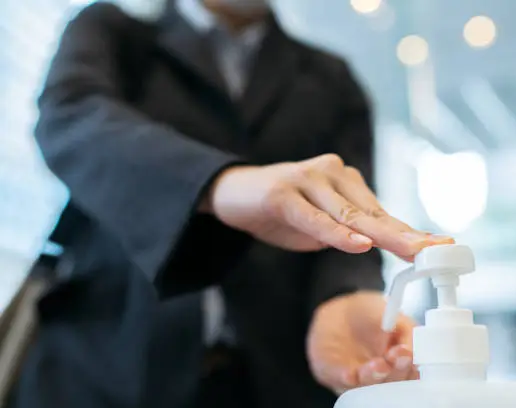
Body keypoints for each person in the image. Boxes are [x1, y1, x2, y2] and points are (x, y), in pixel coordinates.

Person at [9, 0, 453, 407]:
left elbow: (353, 215)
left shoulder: (331, 79)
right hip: (101, 371)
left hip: (280, 378)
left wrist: (346, 294)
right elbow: (70, 122)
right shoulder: (111, 33)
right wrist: (223, 185)